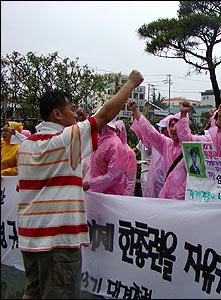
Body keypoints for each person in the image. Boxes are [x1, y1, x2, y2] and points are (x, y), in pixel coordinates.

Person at [16, 69, 143, 299]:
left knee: (32, 292)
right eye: (71, 109)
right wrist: (130, 84)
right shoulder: (63, 142)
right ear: (56, 114)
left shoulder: (26, 146)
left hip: (30, 238)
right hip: (58, 240)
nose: (75, 114)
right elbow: (104, 115)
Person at [128, 101, 187, 200]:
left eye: (177, 125)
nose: (173, 129)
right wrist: (136, 111)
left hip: (180, 199)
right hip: (161, 195)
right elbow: (149, 131)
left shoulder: (190, 147)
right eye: (171, 125)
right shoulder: (166, 143)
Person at [83, 116, 128, 196]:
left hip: (110, 197)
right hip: (97, 194)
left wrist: (89, 184)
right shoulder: (100, 140)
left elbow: (114, 175)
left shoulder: (115, 145)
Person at [115, 119, 137, 196]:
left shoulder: (129, 153)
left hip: (123, 195)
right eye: (113, 131)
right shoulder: (111, 150)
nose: (115, 134)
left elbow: (131, 180)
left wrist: (126, 196)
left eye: (117, 131)